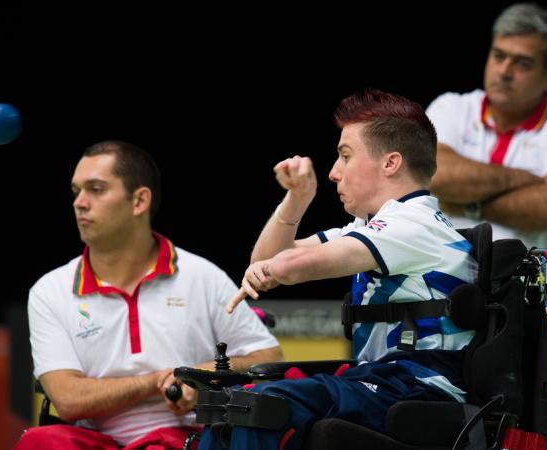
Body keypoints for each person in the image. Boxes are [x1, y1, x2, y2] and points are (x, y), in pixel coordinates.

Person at [199, 89, 478, 450]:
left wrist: (279, 267)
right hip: (381, 381)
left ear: (390, 163)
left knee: (261, 406)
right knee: (234, 403)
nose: (333, 173)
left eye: (345, 156)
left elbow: (295, 265)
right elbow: (266, 258)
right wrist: (297, 198)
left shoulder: (415, 223)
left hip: (419, 386)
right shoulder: (371, 226)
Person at [14, 140, 283, 450]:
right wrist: (161, 379)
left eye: (96, 189)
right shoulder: (50, 290)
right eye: (77, 191)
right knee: (40, 440)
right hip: (93, 439)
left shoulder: (201, 276)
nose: (80, 202)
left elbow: (268, 358)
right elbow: (68, 399)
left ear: (139, 200)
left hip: (181, 437)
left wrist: (199, 379)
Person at [424, 2, 547, 435]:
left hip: (544, 330)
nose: (504, 70)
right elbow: (434, 174)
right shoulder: (450, 108)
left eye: (522, 63)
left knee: (540, 443)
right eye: (498, 55)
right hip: (450, 321)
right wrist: (524, 181)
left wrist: (468, 201)